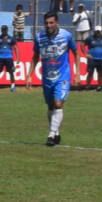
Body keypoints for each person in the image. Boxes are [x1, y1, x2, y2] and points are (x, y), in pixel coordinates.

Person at [31, 11, 78, 146]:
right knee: (51, 106)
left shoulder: (66, 36)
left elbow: (76, 52)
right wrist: (29, 75)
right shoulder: (39, 37)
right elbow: (35, 56)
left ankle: (51, 135)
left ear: (57, 23)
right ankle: (56, 132)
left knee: (58, 103)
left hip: (63, 76)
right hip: (47, 77)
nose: (49, 25)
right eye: (46, 23)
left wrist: (78, 73)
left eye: (51, 22)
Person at [0, 25, 17, 92]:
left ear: (7, 30)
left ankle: (13, 87)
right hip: (0, 57)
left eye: (5, 30)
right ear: (1, 30)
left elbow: (15, 48)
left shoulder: (11, 39)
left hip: (9, 57)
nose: (4, 31)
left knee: (11, 72)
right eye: (3, 30)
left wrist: (18, 57)